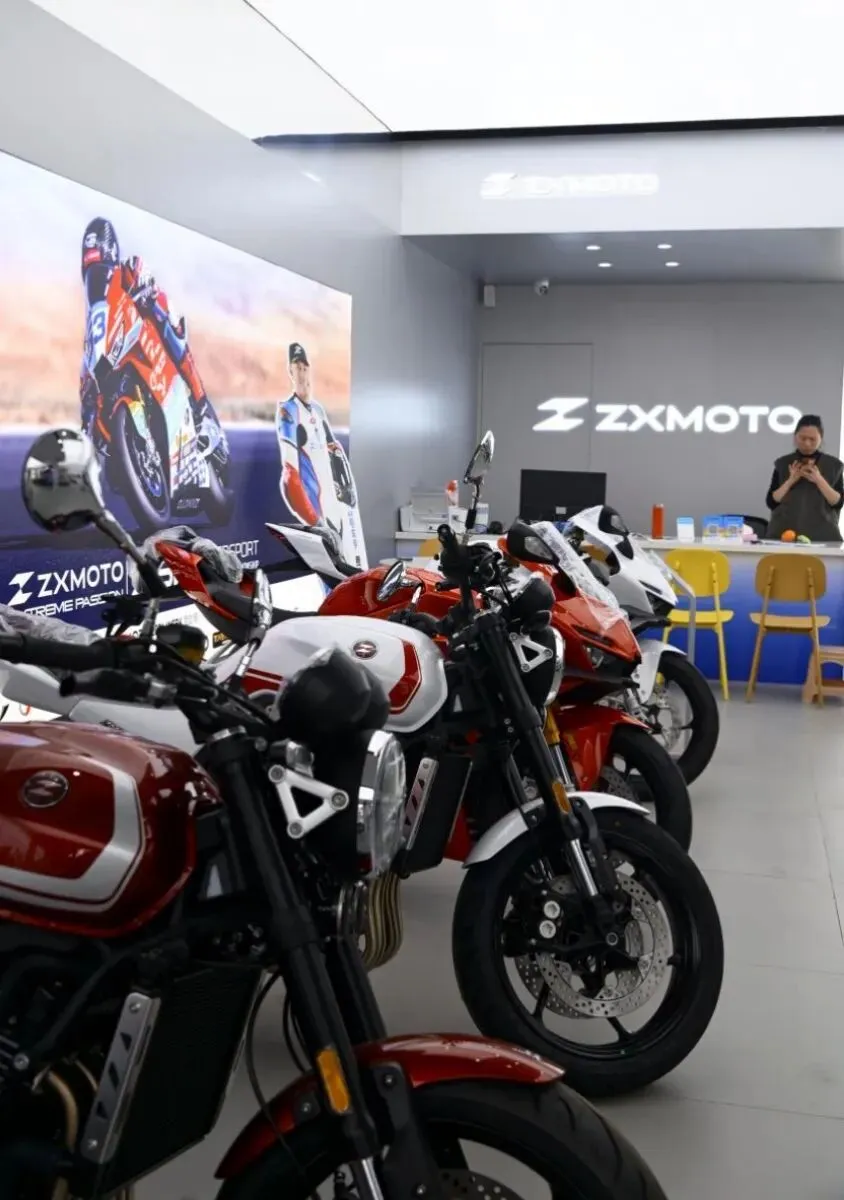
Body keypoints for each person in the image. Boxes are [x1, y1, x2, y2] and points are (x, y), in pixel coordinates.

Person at [80, 217, 214, 444]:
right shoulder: (93, 321)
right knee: (90, 401)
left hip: (146, 339)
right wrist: (86, 411)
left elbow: (146, 279)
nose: (97, 278)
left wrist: (145, 291)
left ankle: (200, 400)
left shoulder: (129, 269)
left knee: (166, 317)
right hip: (117, 357)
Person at [276, 342, 362, 564]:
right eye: (297, 367)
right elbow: (290, 477)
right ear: (290, 371)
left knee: (350, 570)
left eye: (305, 367)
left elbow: (333, 450)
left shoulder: (318, 410)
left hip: (338, 512)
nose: (302, 372)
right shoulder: (288, 411)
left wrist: (346, 491)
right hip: (318, 516)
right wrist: (315, 522)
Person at [766, 414, 843, 542]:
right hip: (784, 534)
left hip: (824, 536)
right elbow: (772, 502)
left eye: (812, 439)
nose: (807, 443)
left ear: (821, 438)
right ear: (795, 437)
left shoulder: (834, 465)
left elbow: (837, 503)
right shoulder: (783, 463)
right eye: (803, 438)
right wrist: (790, 481)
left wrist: (819, 480)